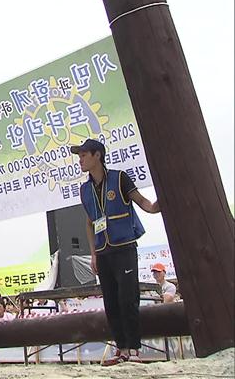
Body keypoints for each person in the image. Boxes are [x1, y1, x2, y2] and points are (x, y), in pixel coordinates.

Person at [73, 138, 160, 365]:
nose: (80, 160)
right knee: (111, 302)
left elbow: (142, 201)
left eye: (83, 155)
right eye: (79, 156)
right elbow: (90, 223)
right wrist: (92, 253)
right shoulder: (84, 189)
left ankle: (134, 350)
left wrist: (156, 206)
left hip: (124, 247)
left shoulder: (119, 178)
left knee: (128, 298)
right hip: (103, 251)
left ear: (97, 155)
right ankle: (121, 349)